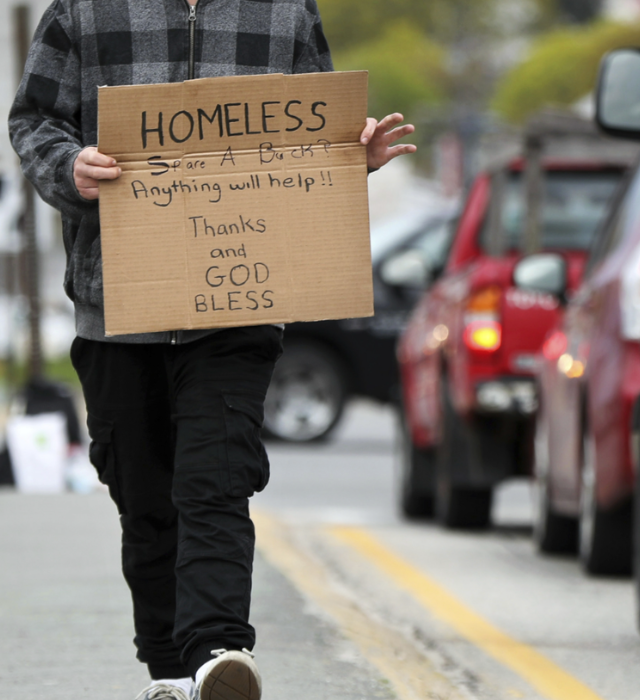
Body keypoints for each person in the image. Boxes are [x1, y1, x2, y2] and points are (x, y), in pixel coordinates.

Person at [8, 0, 415, 698]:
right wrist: (67, 166)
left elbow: (314, 142)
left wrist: (354, 159)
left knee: (217, 480)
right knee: (144, 497)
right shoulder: (85, 9)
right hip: (116, 309)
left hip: (239, 307)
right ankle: (172, 671)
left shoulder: (286, 12)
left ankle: (220, 651)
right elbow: (32, 120)